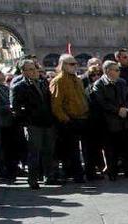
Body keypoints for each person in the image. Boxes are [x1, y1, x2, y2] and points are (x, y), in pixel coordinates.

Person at [10, 60, 56, 189]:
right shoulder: (19, 87)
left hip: (47, 122)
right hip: (33, 124)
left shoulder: (43, 83)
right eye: (30, 69)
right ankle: (33, 179)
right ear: (23, 72)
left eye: (35, 68)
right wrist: (27, 120)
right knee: (34, 152)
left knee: (48, 150)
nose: (34, 71)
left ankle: (49, 176)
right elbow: (16, 108)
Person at [91, 60, 128, 179]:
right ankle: (112, 171)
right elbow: (102, 103)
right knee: (111, 149)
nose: (118, 72)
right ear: (107, 71)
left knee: (127, 147)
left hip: (124, 121)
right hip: (109, 123)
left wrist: (126, 109)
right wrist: (117, 110)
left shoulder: (122, 82)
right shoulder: (99, 85)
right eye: (116, 70)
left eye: (118, 70)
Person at [50, 54, 89, 183]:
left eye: (75, 63)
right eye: (71, 64)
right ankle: (76, 174)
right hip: (69, 120)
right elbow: (56, 104)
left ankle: (85, 172)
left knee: (84, 148)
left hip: (82, 118)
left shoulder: (77, 80)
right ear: (63, 65)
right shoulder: (58, 81)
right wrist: (65, 119)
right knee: (72, 150)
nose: (75, 66)